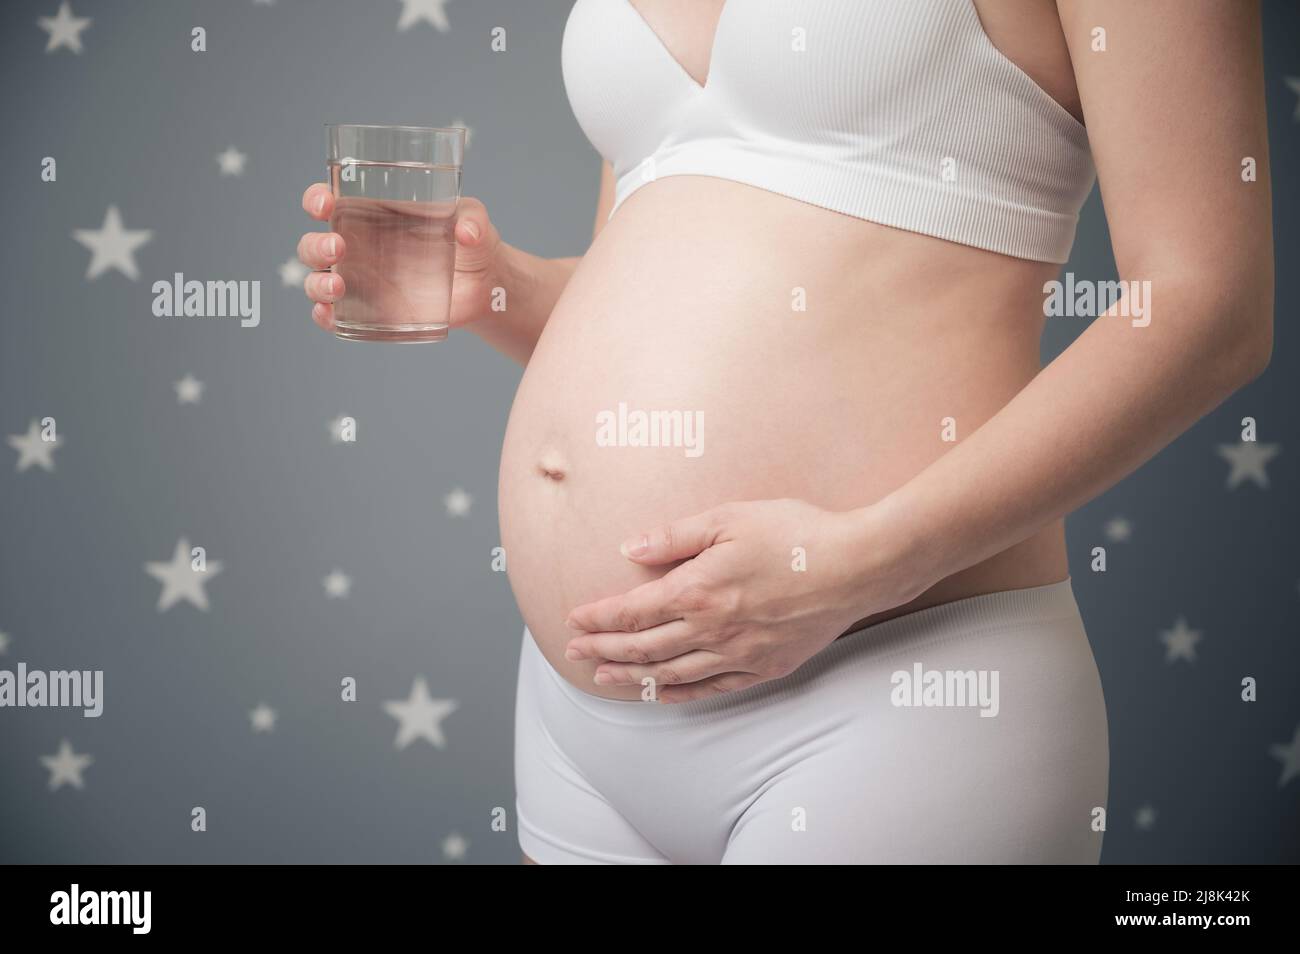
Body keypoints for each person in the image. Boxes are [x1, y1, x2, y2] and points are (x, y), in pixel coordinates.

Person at [296, 0, 1273, 864]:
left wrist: (862, 562)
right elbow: (661, 278)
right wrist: (502, 288)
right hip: (581, 729)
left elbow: (1209, 304)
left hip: (892, 687)